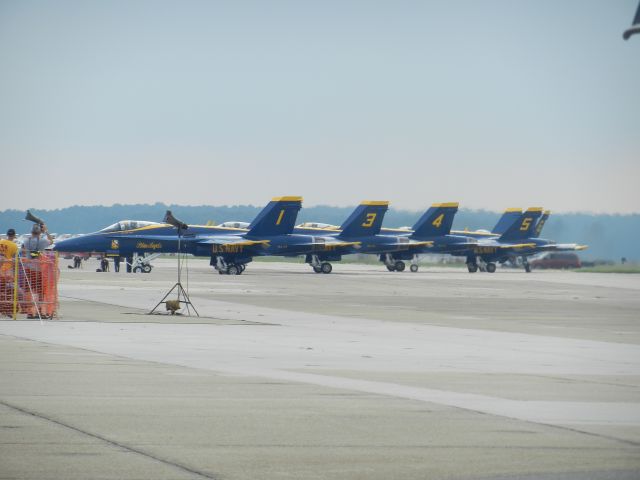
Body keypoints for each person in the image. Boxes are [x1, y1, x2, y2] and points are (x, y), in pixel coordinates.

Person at [21, 224, 53, 318]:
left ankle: (29, 312)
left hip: (28, 269)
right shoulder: (42, 240)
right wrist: (46, 231)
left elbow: (23, 249)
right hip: (38, 269)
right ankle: (39, 311)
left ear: (31, 232)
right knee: (40, 292)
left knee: (28, 291)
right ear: (40, 232)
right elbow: (51, 241)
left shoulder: (27, 240)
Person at [0, 229, 19, 317]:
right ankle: (7, 310)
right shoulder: (14, 246)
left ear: (7, 235)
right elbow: (14, 258)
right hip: (7, 271)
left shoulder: (1, 241)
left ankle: (3, 309)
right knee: (8, 291)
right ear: (14, 235)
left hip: (1, 268)